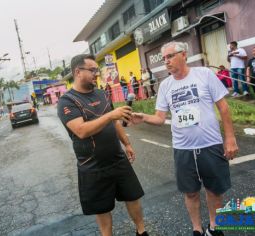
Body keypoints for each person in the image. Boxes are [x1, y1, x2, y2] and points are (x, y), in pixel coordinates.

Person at [131, 42, 238, 236]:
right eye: (164, 58)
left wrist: (230, 138)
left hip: (210, 144)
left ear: (183, 55)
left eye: (170, 56)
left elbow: (223, 107)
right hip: (183, 148)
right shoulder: (165, 85)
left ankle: (214, 228)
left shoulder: (204, 74)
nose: (166, 61)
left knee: (214, 190)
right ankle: (196, 229)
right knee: (190, 191)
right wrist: (144, 117)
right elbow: (160, 117)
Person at [57, 54, 148, 236]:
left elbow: (115, 123)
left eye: (97, 70)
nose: (96, 74)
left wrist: (127, 143)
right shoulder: (67, 101)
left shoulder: (100, 93)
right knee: (102, 209)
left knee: (133, 196)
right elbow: (81, 130)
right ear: (77, 72)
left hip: (117, 158)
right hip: (92, 166)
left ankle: (141, 231)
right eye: (92, 70)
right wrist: (110, 115)